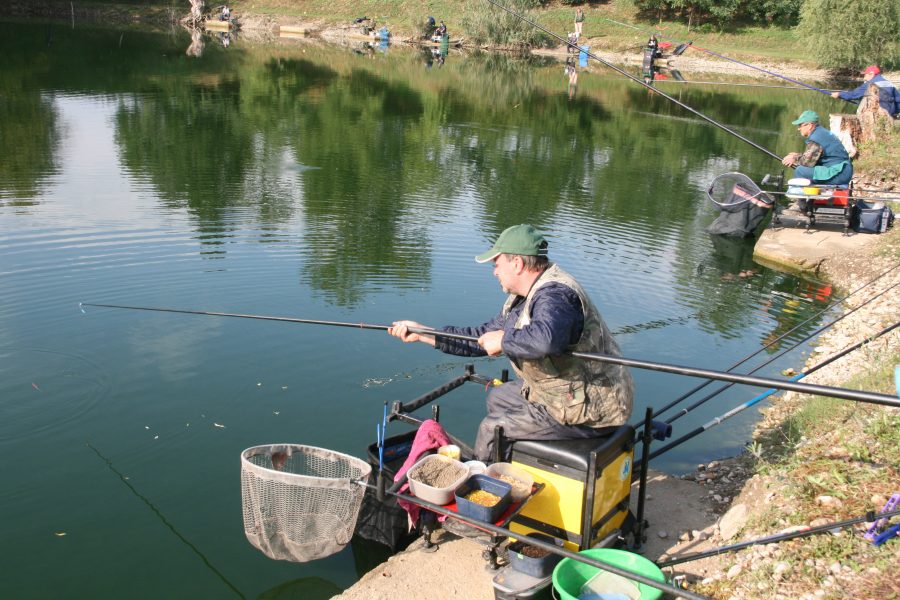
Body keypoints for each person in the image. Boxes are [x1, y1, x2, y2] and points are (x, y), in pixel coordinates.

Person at [388, 224, 635, 462]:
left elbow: (547, 340)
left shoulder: (557, 295)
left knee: (490, 429)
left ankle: (480, 490)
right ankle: (509, 464)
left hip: (592, 410)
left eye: (497, 264)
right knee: (499, 397)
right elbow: (480, 338)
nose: (494, 271)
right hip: (565, 394)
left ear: (516, 263)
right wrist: (424, 333)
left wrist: (504, 340)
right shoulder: (522, 299)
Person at [781, 110, 853, 186]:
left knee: (800, 171)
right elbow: (814, 157)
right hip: (842, 170)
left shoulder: (816, 138)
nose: (798, 129)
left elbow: (807, 163)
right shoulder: (820, 132)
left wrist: (795, 159)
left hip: (838, 173)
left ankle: (801, 197)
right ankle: (810, 196)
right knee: (806, 170)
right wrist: (798, 156)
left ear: (809, 125)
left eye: (800, 125)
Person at [831, 65, 898, 119]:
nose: (864, 78)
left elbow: (853, 95)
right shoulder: (888, 83)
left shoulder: (871, 84)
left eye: (865, 75)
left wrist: (839, 94)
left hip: (876, 115)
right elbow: (898, 99)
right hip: (891, 114)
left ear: (871, 74)